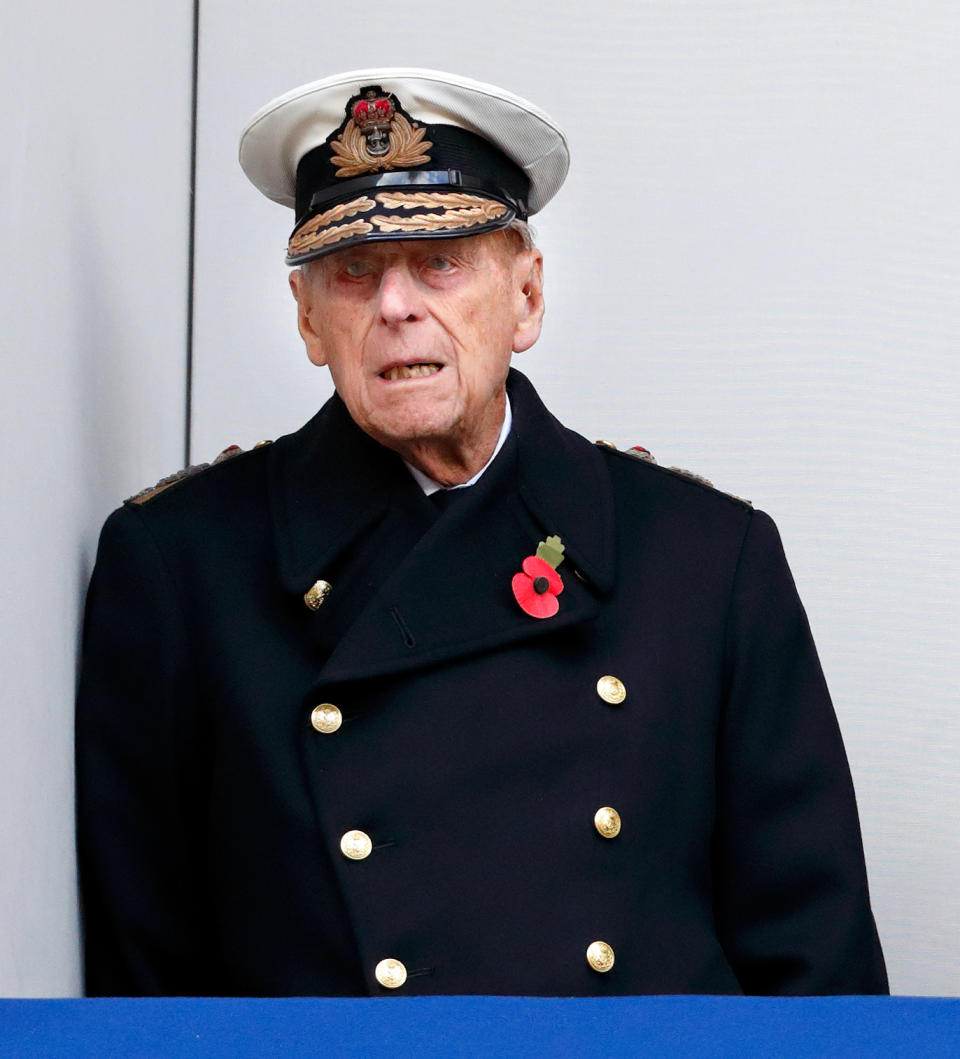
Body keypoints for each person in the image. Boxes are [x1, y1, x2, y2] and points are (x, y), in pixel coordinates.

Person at [76, 68, 888, 997]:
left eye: (442, 262)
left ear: (527, 297)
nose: (395, 307)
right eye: (355, 273)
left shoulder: (707, 560)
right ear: (308, 318)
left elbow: (819, 982)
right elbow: (146, 997)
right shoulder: (182, 570)